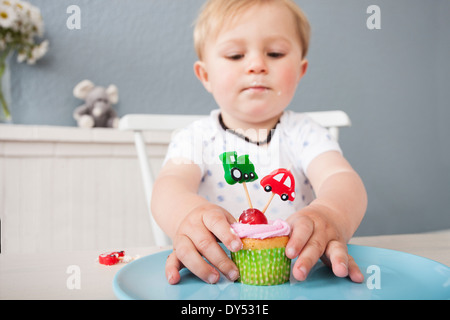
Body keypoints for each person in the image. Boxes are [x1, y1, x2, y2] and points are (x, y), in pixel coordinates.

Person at [151, 0, 367, 285]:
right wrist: (187, 217)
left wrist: (331, 214)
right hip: (214, 280)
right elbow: (169, 187)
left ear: (300, 71)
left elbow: (341, 179)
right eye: (235, 55)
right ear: (206, 75)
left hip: (297, 280)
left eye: (275, 53)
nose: (256, 65)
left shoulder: (305, 133)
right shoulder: (195, 139)